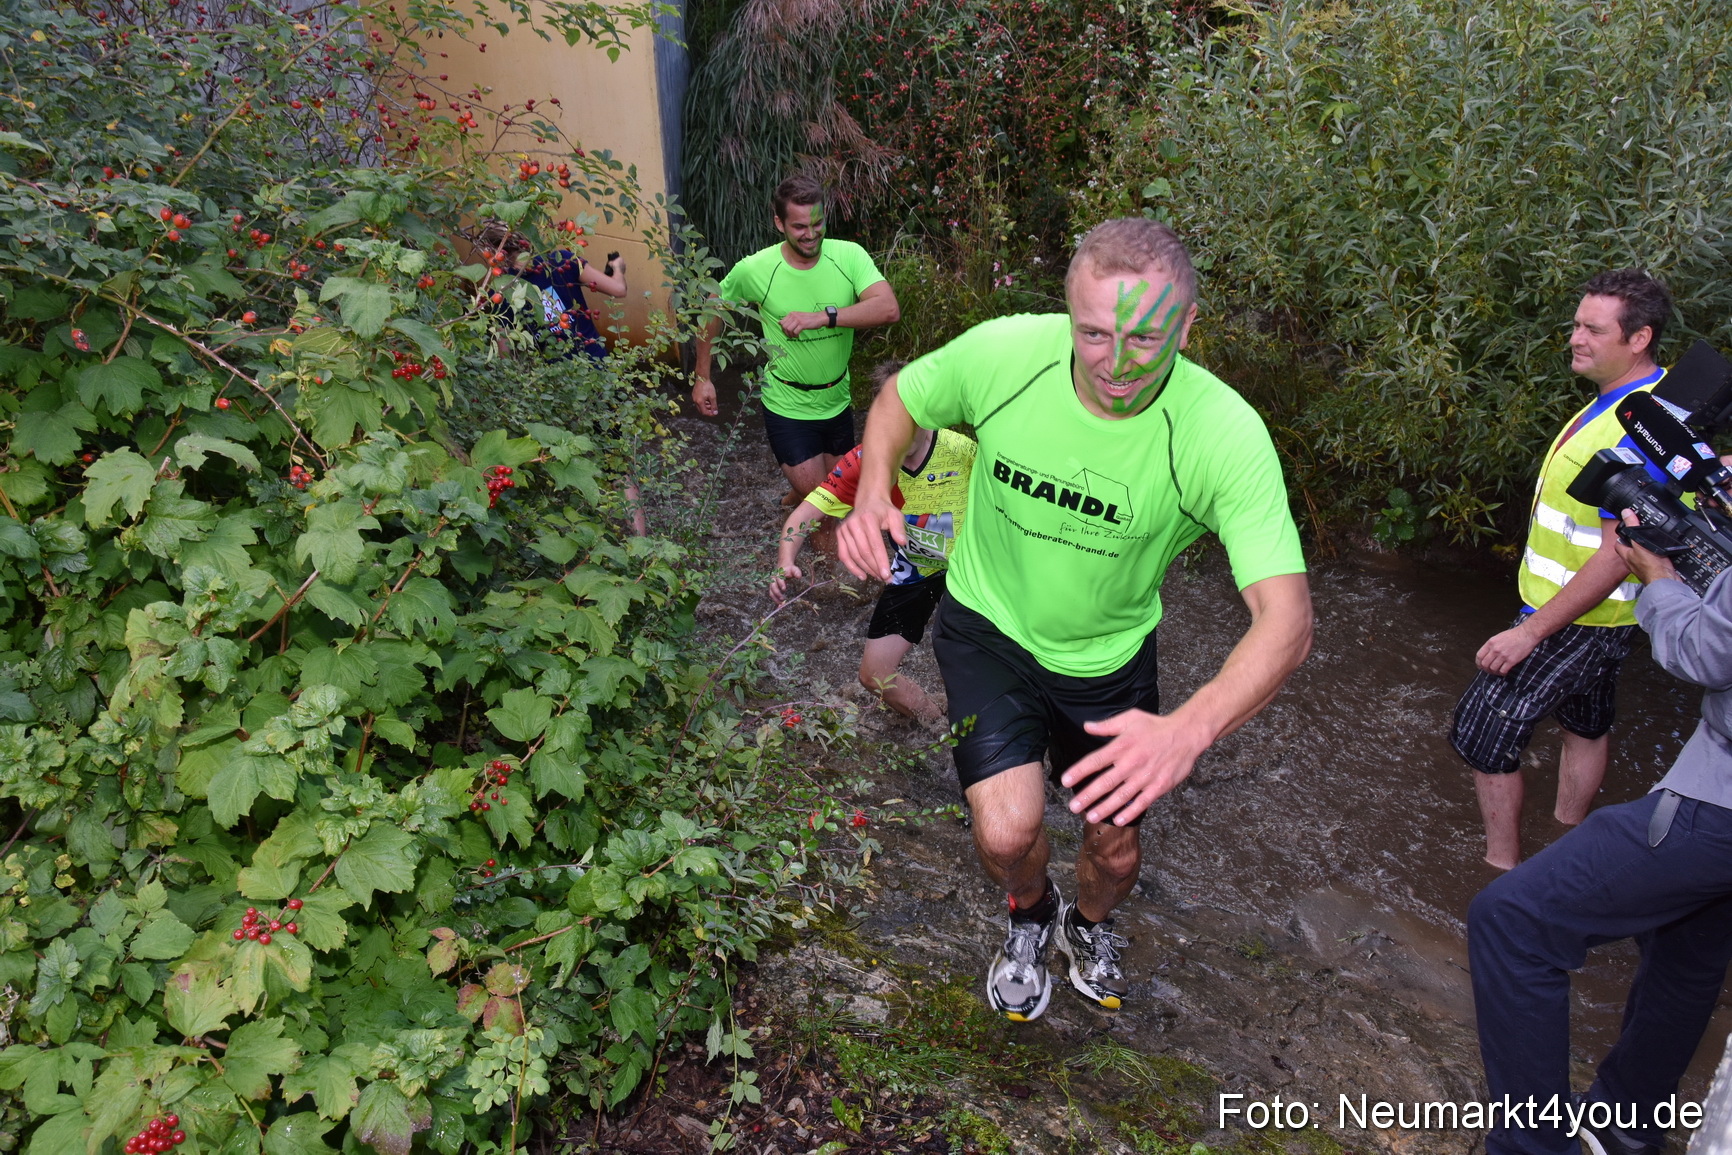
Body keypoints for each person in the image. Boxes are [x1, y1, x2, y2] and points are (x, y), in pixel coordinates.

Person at [834, 218, 1312, 1021]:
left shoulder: (1220, 433)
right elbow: (900, 397)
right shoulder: (1008, 354)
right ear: (1067, 315)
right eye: (1093, 333)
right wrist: (874, 487)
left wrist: (1189, 729)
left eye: (1144, 337)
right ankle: (1030, 912)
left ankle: (1087, 924)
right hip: (987, 627)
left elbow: (1287, 619)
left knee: (1114, 848)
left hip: (1106, 658)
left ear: (1187, 326)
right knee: (1004, 832)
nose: (1115, 363)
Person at [1468, 509, 1732, 1155]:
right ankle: (1626, 1127)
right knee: (1687, 953)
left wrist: (1657, 576)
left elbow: (1708, 653)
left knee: (1512, 920)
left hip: (1716, 802)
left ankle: (1533, 1146)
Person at [1450, 270, 1674, 869]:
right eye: (1577, 324)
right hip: (1603, 615)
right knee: (1585, 722)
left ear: (1638, 338)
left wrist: (1528, 632)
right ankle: (1568, 840)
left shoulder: (1638, 427)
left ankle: (1501, 873)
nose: (1575, 338)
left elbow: (1617, 553)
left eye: (1593, 329)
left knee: (1481, 734)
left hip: (1579, 616)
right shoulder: (1635, 400)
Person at [770, 361, 975, 721]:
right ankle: (936, 727)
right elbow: (804, 515)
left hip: (972, 571)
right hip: (916, 568)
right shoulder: (866, 460)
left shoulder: (962, 451)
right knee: (874, 676)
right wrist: (785, 560)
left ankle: (977, 733)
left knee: (970, 669)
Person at [692, 173, 901, 506]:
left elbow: (888, 308)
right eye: (800, 227)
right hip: (788, 405)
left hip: (837, 400)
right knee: (826, 503)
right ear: (779, 223)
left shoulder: (849, 256)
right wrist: (703, 377)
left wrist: (822, 317)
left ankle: (792, 500)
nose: (811, 234)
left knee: (843, 498)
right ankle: (801, 499)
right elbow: (711, 309)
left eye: (817, 224)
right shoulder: (757, 269)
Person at [475, 220, 646, 536]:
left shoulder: (498, 292)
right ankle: (640, 542)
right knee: (619, 465)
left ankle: (591, 535)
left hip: (556, 390)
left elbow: (506, 360)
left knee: (567, 467)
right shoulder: (563, 260)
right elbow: (618, 290)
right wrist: (617, 267)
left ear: (490, 252)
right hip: (598, 375)